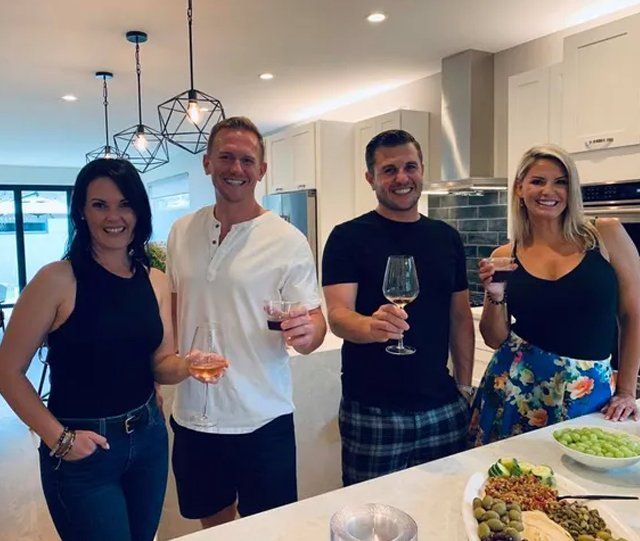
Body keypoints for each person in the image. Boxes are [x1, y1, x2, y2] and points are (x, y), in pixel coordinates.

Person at [0, 158, 227, 541]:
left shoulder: (154, 280)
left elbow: (159, 364)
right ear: (81, 213)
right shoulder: (57, 279)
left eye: (125, 204)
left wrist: (188, 365)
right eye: (99, 205)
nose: (114, 216)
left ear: (139, 210)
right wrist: (60, 439)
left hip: (148, 439)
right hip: (83, 453)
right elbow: (7, 371)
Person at [166, 116, 327, 528]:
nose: (236, 168)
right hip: (195, 415)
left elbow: (314, 323)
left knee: (268, 530)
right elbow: (173, 309)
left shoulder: (287, 239)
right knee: (215, 528)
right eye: (225, 157)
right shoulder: (181, 231)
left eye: (247, 160)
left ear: (262, 170)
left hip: (263, 416)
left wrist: (309, 333)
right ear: (207, 163)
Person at [322, 129, 474, 487]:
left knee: (445, 509)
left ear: (422, 170)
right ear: (370, 178)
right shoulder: (348, 237)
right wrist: (369, 327)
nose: (402, 178)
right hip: (372, 411)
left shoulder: (446, 237)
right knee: (371, 516)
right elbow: (338, 316)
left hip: (442, 406)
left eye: (410, 167)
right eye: (389, 170)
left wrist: (464, 390)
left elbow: (460, 317)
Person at [470, 144, 640, 446]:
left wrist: (626, 390)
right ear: (520, 188)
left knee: (583, 477)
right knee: (515, 482)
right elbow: (495, 338)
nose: (549, 191)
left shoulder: (605, 236)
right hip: (515, 386)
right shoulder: (506, 254)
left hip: (587, 387)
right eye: (538, 181)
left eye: (560, 181)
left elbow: (634, 314)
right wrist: (495, 294)